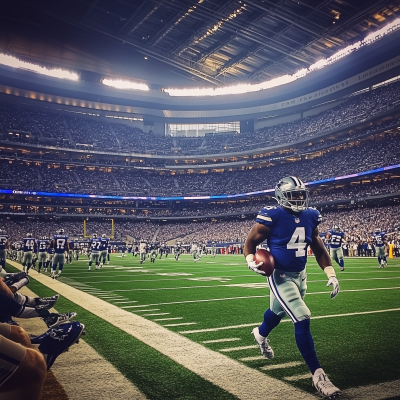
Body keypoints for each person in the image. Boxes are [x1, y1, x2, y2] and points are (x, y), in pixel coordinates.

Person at [244, 176, 341, 399]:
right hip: (280, 275)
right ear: (280, 197)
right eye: (292, 195)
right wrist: (250, 260)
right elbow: (250, 243)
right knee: (302, 316)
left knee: (276, 313)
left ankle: (260, 333)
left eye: (300, 194)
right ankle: (319, 376)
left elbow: (319, 249)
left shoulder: (311, 215)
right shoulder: (273, 215)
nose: (298, 199)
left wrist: (331, 273)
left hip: (301, 275)